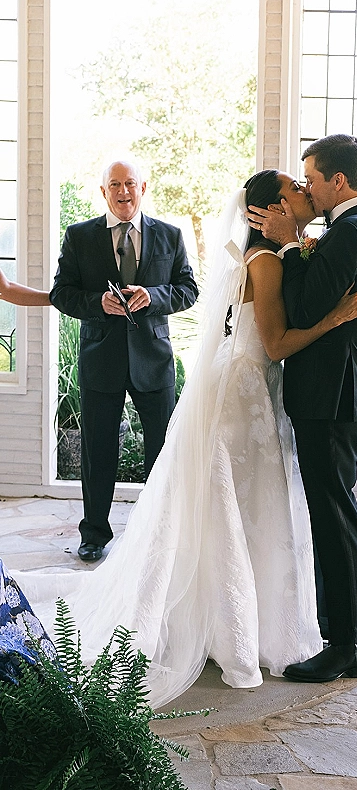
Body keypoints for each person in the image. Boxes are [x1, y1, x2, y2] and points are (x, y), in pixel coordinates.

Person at [13, 169, 357, 706]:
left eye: (305, 185)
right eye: (295, 189)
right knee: (236, 508)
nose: (304, 191)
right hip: (242, 398)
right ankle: (220, 624)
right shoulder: (267, 262)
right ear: (270, 208)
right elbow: (274, 345)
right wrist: (339, 316)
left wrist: (300, 245)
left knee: (235, 510)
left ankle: (222, 617)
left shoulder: (273, 253)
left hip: (243, 388)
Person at [247, 134, 357, 683]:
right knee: (335, 514)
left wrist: (287, 245)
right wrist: (299, 244)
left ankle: (347, 644)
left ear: (337, 181)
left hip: (331, 396)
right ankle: (354, 637)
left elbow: (303, 307)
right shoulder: (355, 228)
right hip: (332, 392)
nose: (306, 187)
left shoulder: (351, 231)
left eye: (311, 178)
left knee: (333, 517)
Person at [50, 161, 199, 563]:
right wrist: (97, 303)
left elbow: (188, 289)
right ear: (103, 192)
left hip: (154, 360)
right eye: (114, 184)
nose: (123, 191)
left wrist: (154, 296)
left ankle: (157, 533)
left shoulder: (170, 235)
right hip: (101, 359)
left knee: (160, 451)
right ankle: (94, 533)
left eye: (129, 183)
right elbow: (61, 294)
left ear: (143, 187)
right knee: (98, 451)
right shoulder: (79, 236)